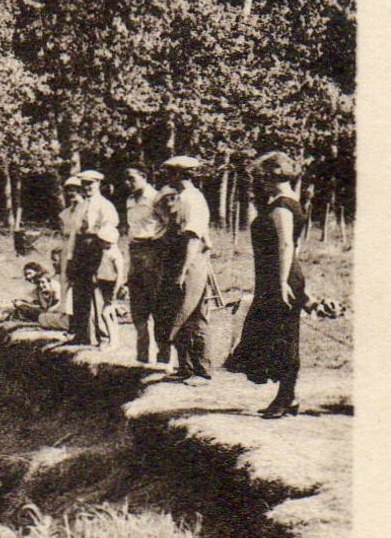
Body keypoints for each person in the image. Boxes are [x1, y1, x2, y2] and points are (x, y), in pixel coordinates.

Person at [225, 151, 307, 417]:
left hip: (278, 278)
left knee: (283, 336)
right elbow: (294, 247)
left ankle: (286, 398)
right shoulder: (288, 202)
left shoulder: (283, 205)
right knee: (276, 334)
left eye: (262, 177)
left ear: (273, 176)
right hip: (274, 277)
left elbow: (286, 244)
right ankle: (286, 396)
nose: (260, 182)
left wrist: (283, 281)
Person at [158, 155, 215, 385]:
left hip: (189, 261)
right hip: (177, 260)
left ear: (179, 174)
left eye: (170, 173)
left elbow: (193, 238)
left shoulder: (193, 199)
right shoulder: (180, 198)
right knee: (177, 312)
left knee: (192, 314)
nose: (168, 177)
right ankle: (185, 367)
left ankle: (202, 370)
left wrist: (183, 270)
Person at [124, 166, 170, 366]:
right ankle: (142, 356)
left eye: (132, 178)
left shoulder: (156, 198)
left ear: (143, 177)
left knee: (157, 305)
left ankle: (163, 355)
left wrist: (154, 240)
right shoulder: (130, 200)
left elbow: (168, 224)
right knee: (138, 305)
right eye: (126, 180)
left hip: (152, 252)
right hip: (135, 252)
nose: (128, 183)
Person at [69, 169, 121, 347]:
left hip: (97, 247)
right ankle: (82, 334)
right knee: (80, 291)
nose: (87, 187)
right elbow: (75, 232)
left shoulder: (105, 205)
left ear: (98, 184)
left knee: (96, 290)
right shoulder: (81, 205)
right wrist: (71, 257)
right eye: (84, 184)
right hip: (81, 248)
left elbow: (109, 232)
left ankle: (104, 336)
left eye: (90, 183)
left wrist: (100, 253)